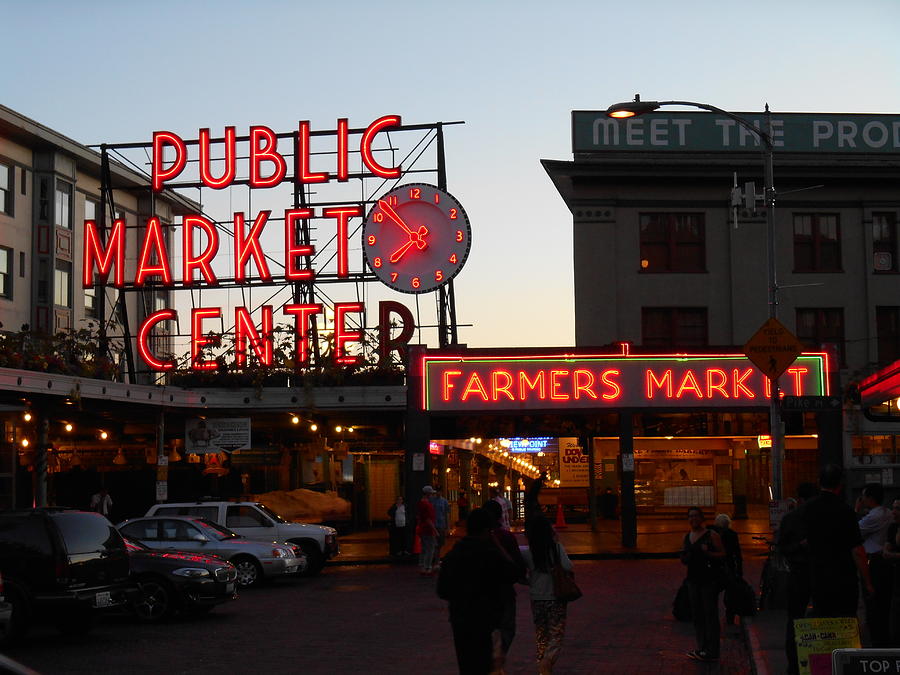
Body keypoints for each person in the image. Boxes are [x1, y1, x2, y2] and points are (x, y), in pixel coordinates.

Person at [437, 508, 521, 675]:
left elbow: (442, 590)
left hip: (461, 618)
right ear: (486, 530)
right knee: (486, 664)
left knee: (467, 664)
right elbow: (514, 573)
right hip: (486, 619)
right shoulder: (490, 554)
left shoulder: (454, 554)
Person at [803, 464, 874, 619]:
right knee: (845, 622)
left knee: (824, 620)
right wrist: (868, 582)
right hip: (844, 579)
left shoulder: (807, 509)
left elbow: (803, 541)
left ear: (819, 482)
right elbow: (857, 550)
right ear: (840, 485)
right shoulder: (845, 511)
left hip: (818, 577)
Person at [521, 515, 573, 674]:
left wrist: (528, 581)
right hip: (555, 596)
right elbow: (568, 566)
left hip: (537, 597)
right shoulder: (556, 549)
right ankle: (547, 661)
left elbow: (518, 571)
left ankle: (542, 667)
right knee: (556, 634)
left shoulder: (527, 552)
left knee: (541, 634)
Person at [777, 481, 819, 675]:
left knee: (794, 619)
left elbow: (782, 548)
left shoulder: (791, 519)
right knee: (803, 617)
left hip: (801, 572)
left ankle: (795, 664)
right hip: (813, 573)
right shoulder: (812, 518)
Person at [483, 499, 527, 674]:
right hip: (503, 591)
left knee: (486, 629)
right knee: (506, 628)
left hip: (481, 593)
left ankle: (490, 661)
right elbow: (517, 565)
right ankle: (497, 661)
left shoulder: (473, 541)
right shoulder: (506, 537)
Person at [680, 506, 725, 662]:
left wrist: (708, 553)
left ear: (702, 518)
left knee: (709, 614)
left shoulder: (711, 535)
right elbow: (684, 556)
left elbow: (722, 554)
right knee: (698, 614)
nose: (693, 519)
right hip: (693, 579)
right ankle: (702, 647)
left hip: (709, 580)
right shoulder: (687, 537)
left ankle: (712, 649)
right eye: (690, 516)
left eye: (696, 516)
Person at [856, 482, 894, 646]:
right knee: (883, 603)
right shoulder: (886, 513)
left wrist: (856, 510)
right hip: (883, 562)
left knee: (873, 603)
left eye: (863, 496)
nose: (862, 499)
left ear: (869, 498)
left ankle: (877, 641)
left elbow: (854, 530)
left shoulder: (873, 517)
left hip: (873, 562)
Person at [712, 513, 743, 626]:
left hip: (715, 567)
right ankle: (729, 617)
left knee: (713, 592)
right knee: (730, 593)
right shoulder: (732, 534)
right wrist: (739, 570)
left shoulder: (712, 534)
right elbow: (737, 553)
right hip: (728, 567)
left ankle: (713, 616)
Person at [881, 499, 900, 646]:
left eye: (897, 509)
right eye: (893, 508)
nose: (894, 512)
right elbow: (886, 551)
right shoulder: (893, 527)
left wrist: (892, 554)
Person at [416, 485, 438, 575]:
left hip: (422, 528)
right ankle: (427, 567)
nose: (432, 495)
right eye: (431, 494)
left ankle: (422, 566)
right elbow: (428, 519)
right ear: (428, 494)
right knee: (430, 549)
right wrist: (435, 530)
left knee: (424, 549)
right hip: (428, 529)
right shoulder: (426, 504)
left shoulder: (421, 503)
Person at [431, 487, 451, 567]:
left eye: (439, 491)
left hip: (441, 524)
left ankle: (437, 558)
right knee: (435, 543)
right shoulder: (432, 501)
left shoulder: (444, 501)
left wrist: (448, 527)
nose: (438, 493)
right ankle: (436, 560)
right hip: (434, 524)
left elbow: (447, 514)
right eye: (437, 491)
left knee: (440, 543)